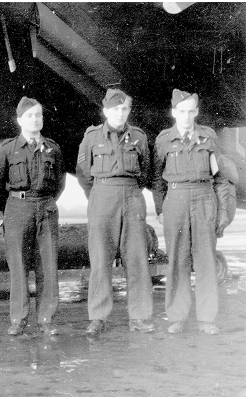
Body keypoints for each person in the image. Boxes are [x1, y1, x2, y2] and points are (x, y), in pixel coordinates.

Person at [152, 89, 233, 335]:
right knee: (177, 259)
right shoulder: (163, 139)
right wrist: (160, 209)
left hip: (204, 197)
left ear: (196, 112)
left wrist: (222, 211)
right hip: (175, 199)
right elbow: (157, 179)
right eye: (181, 111)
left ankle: (207, 318)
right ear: (173, 112)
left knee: (205, 259)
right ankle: (177, 315)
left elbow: (220, 177)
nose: (186, 117)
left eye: (190, 111)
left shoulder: (208, 137)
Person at [75, 88, 155, 336]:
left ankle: (140, 316)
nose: (121, 113)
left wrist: (127, 190)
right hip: (102, 198)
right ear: (105, 111)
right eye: (116, 109)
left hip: (132, 196)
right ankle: (98, 317)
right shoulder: (91, 137)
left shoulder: (139, 137)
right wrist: (100, 195)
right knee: (100, 260)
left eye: (125, 109)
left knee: (137, 259)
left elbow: (145, 172)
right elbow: (83, 173)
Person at [0, 97, 66, 336]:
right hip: (17, 208)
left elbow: (59, 183)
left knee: (48, 266)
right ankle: (18, 319)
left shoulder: (53, 148)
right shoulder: (8, 149)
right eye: (30, 115)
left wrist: (44, 200)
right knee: (19, 266)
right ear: (19, 119)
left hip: (45, 207)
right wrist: (12, 206)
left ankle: (46, 319)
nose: (35, 119)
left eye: (39, 115)